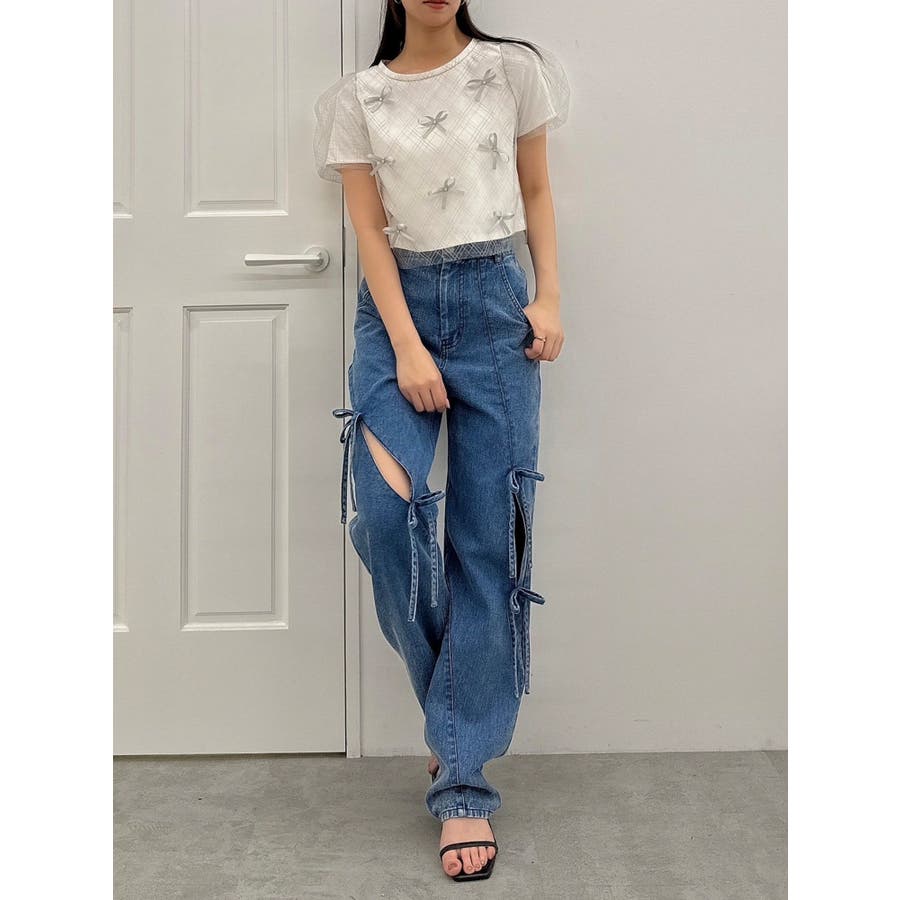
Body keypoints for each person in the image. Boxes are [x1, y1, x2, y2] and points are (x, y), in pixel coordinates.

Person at [313, 0, 570, 883]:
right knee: (383, 520)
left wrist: (550, 296)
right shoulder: (357, 98)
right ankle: (456, 714)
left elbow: (537, 189)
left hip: (499, 305)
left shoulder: (512, 70)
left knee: (487, 545)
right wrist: (409, 346)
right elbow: (368, 230)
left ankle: (462, 783)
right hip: (396, 315)